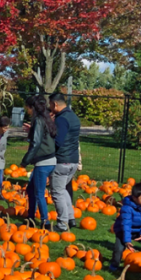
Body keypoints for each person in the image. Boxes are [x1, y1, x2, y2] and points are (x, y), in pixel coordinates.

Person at [21, 95, 57, 228]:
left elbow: (36, 143)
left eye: (28, 108)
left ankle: (45, 222)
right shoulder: (46, 119)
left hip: (44, 161)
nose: (27, 111)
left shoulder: (38, 120)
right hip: (49, 160)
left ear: (32, 108)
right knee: (31, 189)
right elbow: (43, 137)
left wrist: (25, 161)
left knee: (39, 193)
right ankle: (30, 217)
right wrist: (31, 130)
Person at [108, 182, 141, 274]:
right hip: (123, 231)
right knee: (118, 249)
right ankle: (114, 265)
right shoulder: (127, 208)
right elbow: (126, 225)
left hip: (138, 231)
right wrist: (127, 241)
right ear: (134, 198)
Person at [49, 92, 81, 231]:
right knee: (63, 190)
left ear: (55, 104)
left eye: (50, 105)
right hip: (73, 160)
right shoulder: (73, 116)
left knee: (57, 193)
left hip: (62, 160)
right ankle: (70, 218)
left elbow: (58, 140)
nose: (50, 108)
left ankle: (62, 224)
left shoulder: (61, 119)